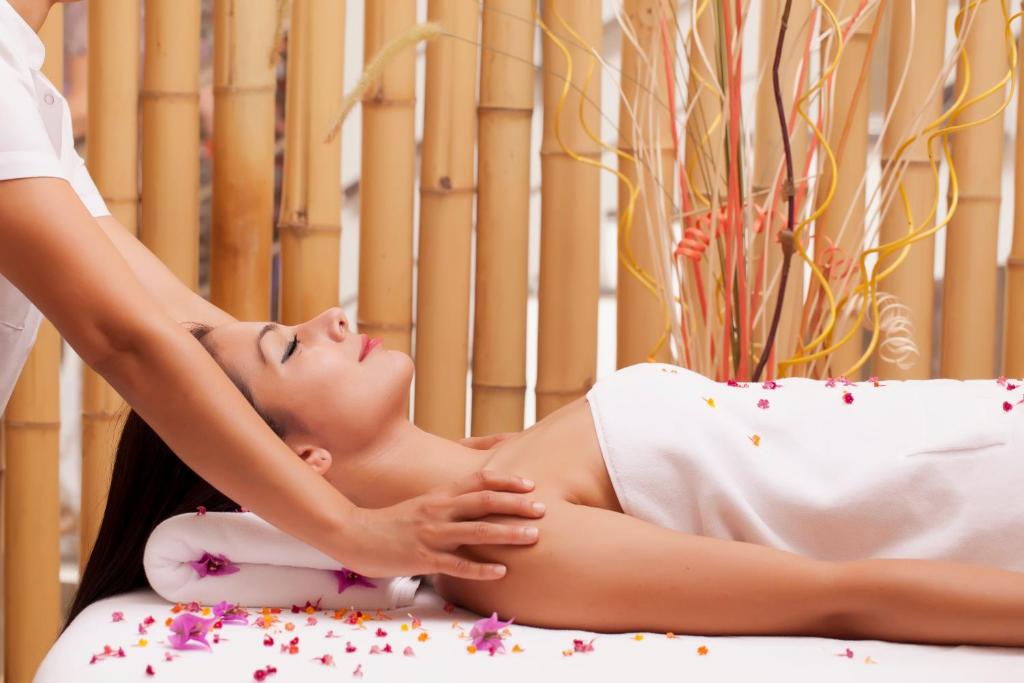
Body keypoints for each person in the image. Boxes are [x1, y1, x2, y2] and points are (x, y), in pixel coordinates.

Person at [69, 307, 1024, 648]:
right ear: (297, 464)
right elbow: (837, 596)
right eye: (288, 346)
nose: (330, 317)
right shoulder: (505, 540)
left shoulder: (501, 460)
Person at [0, 0, 545, 589]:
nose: (335, 320)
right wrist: (355, 532)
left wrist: (405, 469)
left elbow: (181, 321)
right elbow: (124, 337)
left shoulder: (24, 85)